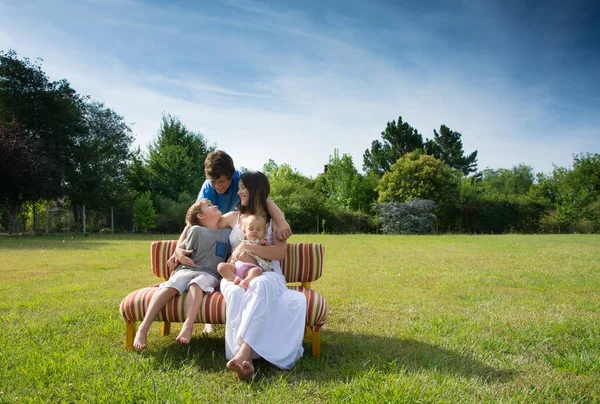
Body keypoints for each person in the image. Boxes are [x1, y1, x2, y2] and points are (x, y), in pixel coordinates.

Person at [170, 150, 292, 333]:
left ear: (232, 176)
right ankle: (212, 321)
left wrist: (280, 221)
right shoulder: (208, 187)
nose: (217, 186)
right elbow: (195, 220)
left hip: (247, 227)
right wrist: (178, 248)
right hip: (222, 224)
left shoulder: (243, 180)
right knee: (221, 261)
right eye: (213, 182)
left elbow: (264, 200)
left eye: (221, 181)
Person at [219, 171, 306, 380]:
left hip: (268, 273)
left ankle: (244, 353)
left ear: (256, 190)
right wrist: (181, 246)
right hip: (235, 275)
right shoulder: (234, 217)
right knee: (238, 293)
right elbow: (199, 220)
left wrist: (248, 245)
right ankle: (246, 356)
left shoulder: (274, 221)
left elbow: (279, 253)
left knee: (261, 285)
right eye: (238, 187)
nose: (238, 192)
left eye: (242, 187)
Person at [133, 199, 231, 350]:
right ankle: (143, 328)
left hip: (209, 274)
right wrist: (175, 265)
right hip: (187, 269)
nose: (215, 205)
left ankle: (188, 325)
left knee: (196, 284)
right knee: (170, 286)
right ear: (201, 216)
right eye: (209, 206)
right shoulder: (195, 231)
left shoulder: (227, 233)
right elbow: (183, 253)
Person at [217, 214, 271, 289]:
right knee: (221, 266)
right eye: (251, 229)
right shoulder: (241, 242)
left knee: (256, 271)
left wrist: (266, 246)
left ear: (264, 233)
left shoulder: (262, 243)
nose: (254, 231)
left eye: (258, 230)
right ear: (245, 231)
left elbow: (268, 257)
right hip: (236, 267)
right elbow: (233, 254)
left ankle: (246, 281)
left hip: (250, 268)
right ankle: (235, 278)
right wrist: (229, 263)